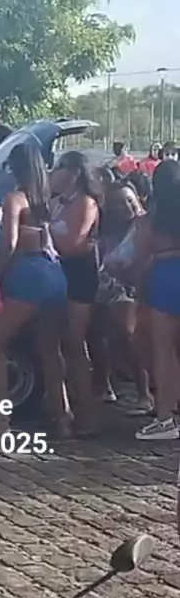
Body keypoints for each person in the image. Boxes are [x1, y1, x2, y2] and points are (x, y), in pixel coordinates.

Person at [0, 144, 70, 437]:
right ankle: (62, 417)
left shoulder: (14, 199)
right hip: (54, 272)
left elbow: (10, 243)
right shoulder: (45, 200)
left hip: (29, 273)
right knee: (50, 348)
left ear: (13, 168)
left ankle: (0, 421)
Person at [50, 151, 102, 435]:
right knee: (57, 341)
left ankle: (88, 411)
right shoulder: (58, 202)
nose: (53, 173)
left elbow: (72, 243)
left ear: (72, 172)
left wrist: (44, 235)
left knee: (75, 341)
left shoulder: (85, 203)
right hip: (59, 270)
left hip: (79, 274)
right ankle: (63, 408)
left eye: (58, 168)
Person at [93, 181, 152, 413]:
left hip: (132, 289)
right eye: (119, 203)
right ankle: (104, 386)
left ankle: (144, 394)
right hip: (103, 287)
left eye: (130, 200)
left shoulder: (144, 226)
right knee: (96, 334)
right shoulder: (103, 230)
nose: (127, 207)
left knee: (129, 335)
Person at [131, 159, 180, 439]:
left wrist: (140, 291)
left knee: (163, 351)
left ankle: (165, 418)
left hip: (162, 278)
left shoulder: (149, 220)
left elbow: (141, 259)